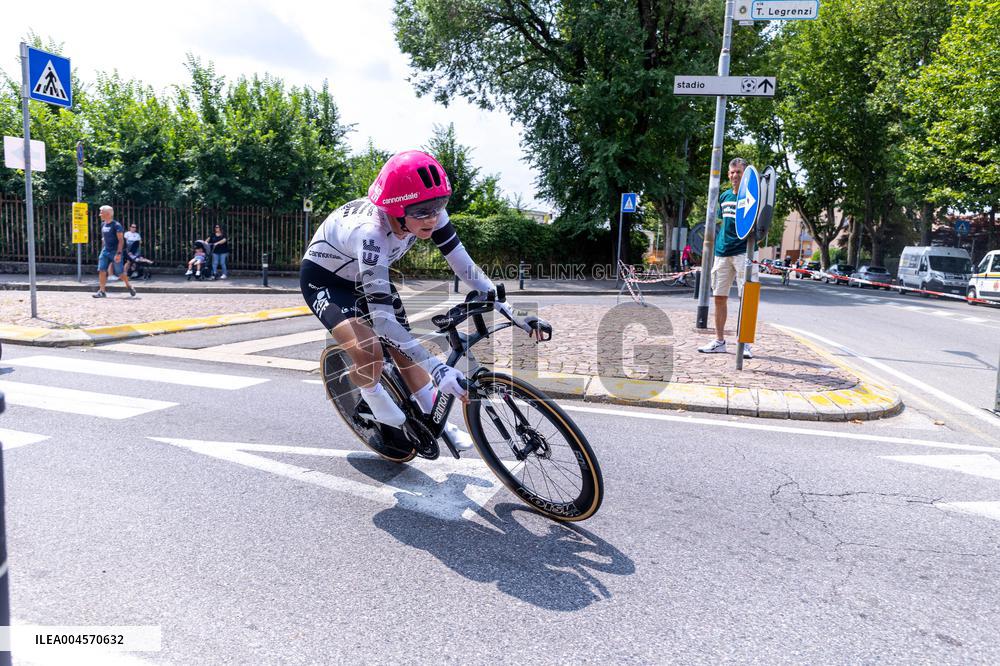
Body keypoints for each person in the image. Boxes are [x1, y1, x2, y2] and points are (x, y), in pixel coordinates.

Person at [300, 150, 541, 453]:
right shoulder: (371, 234)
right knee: (371, 351)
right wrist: (439, 371)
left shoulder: (428, 213)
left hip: (367, 276)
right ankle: (370, 392)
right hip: (327, 281)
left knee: (406, 348)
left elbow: (463, 266)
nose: (433, 217)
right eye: (423, 212)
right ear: (396, 210)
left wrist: (511, 310)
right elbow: (384, 324)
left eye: (440, 206)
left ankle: (432, 417)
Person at [698, 158, 755, 359]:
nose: (734, 176)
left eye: (738, 172)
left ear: (746, 172)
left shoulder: (753, 197)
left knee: (746, 299)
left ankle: (745, 344)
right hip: (722, 252)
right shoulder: (724, 197)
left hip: (743, 252)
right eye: (732, 172)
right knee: (719, 297)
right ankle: (719, 341)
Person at [93, 205, 136, 298]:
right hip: (105, 251)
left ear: (107, 214)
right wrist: (103, 246)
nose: (100, 214)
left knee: (120, 273)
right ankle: (102, 291)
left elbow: (121, 240)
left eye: (101, 212)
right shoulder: (103, 224)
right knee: (101, 270)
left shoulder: (116, 225)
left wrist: (119, 254)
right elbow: (104, 237)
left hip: (115, 252)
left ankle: (128, 286)